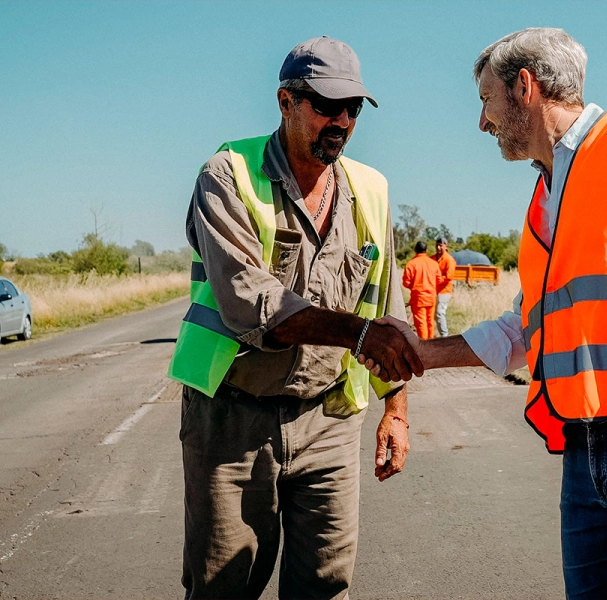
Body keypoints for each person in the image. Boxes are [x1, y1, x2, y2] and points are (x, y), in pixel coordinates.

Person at [361, 28, 607, 600]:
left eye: (486, 100)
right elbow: (523, 330)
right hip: (585, 445)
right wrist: (421, 353)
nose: (483, 122)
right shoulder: (546, 195)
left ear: (525, 87)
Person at [167, 36, 423, 600]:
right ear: (285, 102)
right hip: (232, 422)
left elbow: (386, 308)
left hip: (327, 421)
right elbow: (250, 304)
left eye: (353, 108)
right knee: (221, 586)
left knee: (325, 586)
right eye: (327, 106)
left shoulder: (372, 191)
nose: (343, 121)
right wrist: (356, 333)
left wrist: (396, 411)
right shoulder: (227, 174)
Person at [402, 240, 440, 339]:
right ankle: (431, 343)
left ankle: (424, 345)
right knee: (430, 321)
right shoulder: (434, 263)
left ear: (415, 250)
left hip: (418, 298)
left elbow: (406, 282)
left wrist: (415, 287)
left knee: (421, 324)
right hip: (431, 298)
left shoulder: (411, 264)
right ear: (426, 250)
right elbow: (439, 280)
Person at [431, 236, 457, 337]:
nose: (438, 248)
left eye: (440, 246)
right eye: (437, 245)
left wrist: (436, 279)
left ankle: (445, 337)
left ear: (446, 246)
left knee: (439, 312)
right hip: (434, 291)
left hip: (445, 291)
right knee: (433, 314)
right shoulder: (432, 259)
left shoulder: (449, 260)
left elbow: (449, 276)